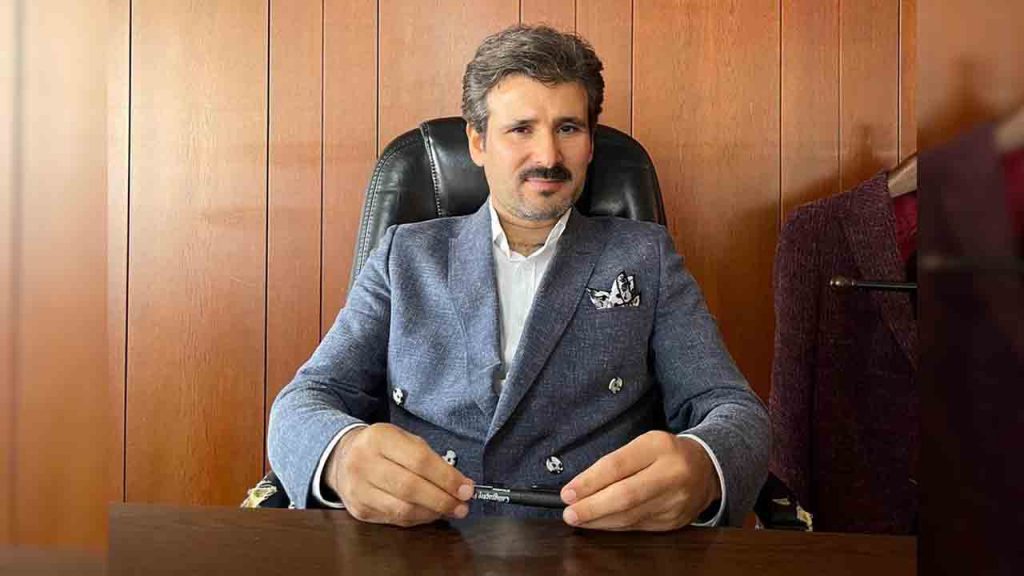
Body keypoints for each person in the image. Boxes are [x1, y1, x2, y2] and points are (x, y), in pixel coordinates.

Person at [268, 24, 769, 531]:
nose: (548, 157)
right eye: (521, 129)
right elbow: (303, 402)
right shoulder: (405, 255)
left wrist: (703, 467)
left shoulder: (645, 256)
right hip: (426, 544)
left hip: (593, 546)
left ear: (591, 143)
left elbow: (733, 410)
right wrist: (342, 457)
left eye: (568, 128)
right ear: (478, 141)